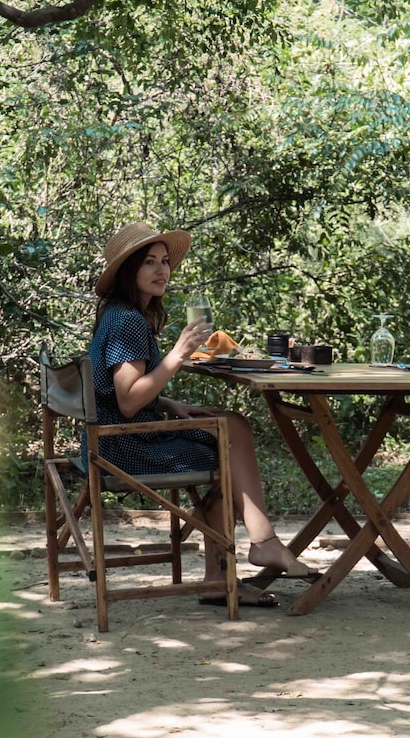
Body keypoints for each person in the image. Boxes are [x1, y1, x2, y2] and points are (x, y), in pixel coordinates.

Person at [86, 221, 318, 607]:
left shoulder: (121, 314)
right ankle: (261, 544)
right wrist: (178, 354)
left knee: (227, 431)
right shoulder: (127, 321)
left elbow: (115, 392)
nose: (161, 270)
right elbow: (127, 401)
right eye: (149, 262)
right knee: (230, 434)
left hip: (112, 440)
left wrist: (168, 404)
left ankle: (221, 576)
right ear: (128, 271)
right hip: (123, 449)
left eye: (164, 261)